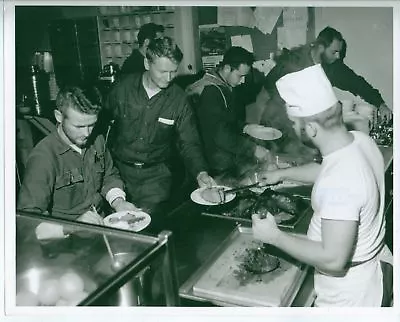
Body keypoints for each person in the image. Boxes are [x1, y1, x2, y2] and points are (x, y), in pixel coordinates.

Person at [252, 64, 393, 306]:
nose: (294, 129)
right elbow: (325, 170)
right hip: (376, 267)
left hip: (350, 296)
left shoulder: (340, 180)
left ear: (311, 129)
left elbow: (334, 260)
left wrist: (274, 236)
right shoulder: (361, 141)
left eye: (295, 124)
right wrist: (283, 175)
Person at [104, 37, 215, 226]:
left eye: (173, 71)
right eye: (163, 71)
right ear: (147, 63)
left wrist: (200, 173)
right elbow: (102, 128)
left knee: (148, 226)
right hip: (119, 173)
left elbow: (189, 142)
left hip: (155, 178)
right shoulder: (122, 89)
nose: (169, 78)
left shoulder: (179, 100)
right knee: (120, 228)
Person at [17, 86, 139, 236]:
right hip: (65, 244)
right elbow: (27, 221)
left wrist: (119, 202)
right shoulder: (43, 158)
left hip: (100, 230)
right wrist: (72, 226)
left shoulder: (97, 140)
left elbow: (109, 176)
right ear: (59, 116)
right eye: (79, 126)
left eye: (91, 125)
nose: (86, 133)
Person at [254, 26, 392, 152]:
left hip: (306, 129)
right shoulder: (293, 60)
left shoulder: (333, 67)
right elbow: (268, 86)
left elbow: (357, 83)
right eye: (334, 52)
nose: (338, 56)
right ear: (320, 47)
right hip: (278, 123)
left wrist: (380, 103)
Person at [186, 46, 271, 176]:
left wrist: (246, 127)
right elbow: (220, 135)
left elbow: (226, 119)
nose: (242, 81)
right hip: (213, 163)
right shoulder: (211, 92)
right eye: (240, 76)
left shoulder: (222, 83)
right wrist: (253, 149)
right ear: (226, 68)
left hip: (221, 156)